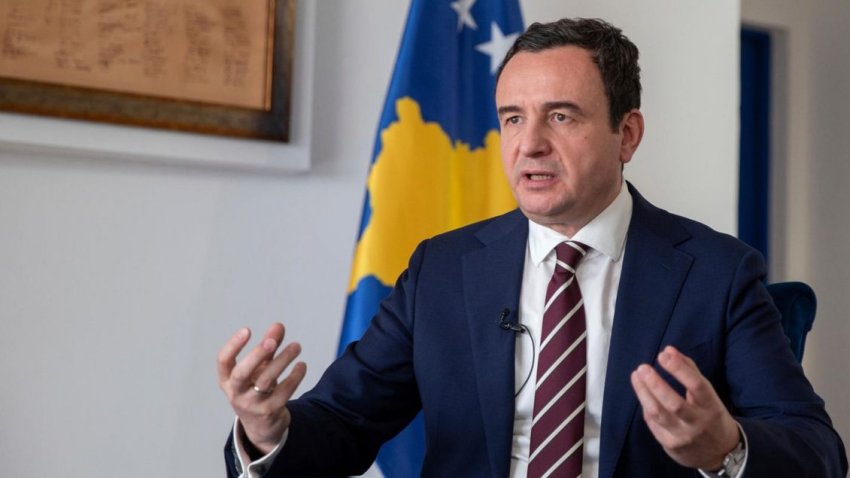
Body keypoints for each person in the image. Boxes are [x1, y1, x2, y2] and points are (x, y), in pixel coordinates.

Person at [217, 18, 847, 477]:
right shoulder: (443, 270)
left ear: (627, 134)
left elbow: (817, 450)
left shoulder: (715, 272)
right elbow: (345, 422)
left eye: (561, 116)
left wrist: (726, 449)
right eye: (513, 118)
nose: (530, 144)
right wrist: (266, 430)